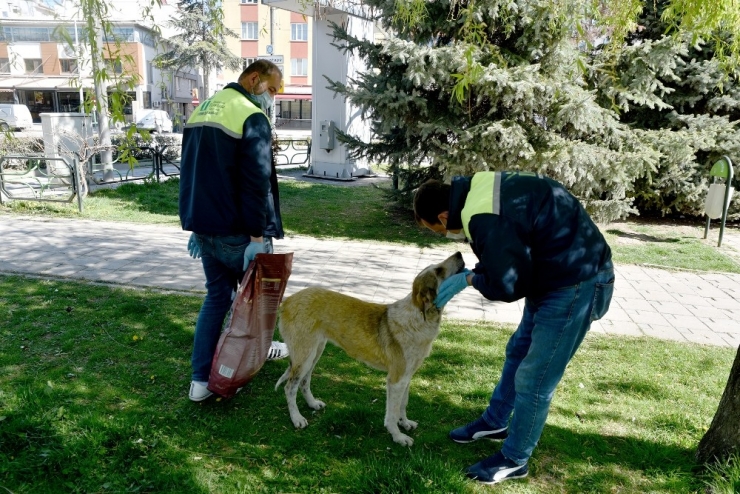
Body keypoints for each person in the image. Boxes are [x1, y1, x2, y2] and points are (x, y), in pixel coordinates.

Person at [413, 171, 614, 485]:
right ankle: (494, 422)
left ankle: (515, 459)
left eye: (437, 230)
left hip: (577, 282)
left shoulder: (480, 215)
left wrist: (468, 279)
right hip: (550, 273)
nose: (444, 235)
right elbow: (507, 250)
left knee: (535, 377)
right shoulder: (476, 188)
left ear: (443, 215)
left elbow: (507, 286)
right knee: (518, 351)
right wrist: (480, 272)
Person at [179, 60, 288, 402]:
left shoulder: (203, 110)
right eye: (272, 89)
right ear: (255, 80)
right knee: (256, 304)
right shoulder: (250, 115)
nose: (273, 97)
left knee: (216, 299)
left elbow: (191, 172)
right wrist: (257, 238)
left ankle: (199, 382)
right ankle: (246, 362)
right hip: (241, 233)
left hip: (206, 230)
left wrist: (195, 225)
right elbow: (256, 182)